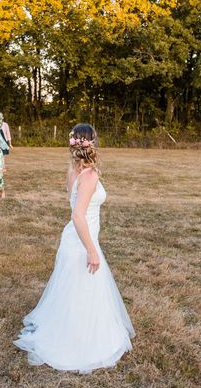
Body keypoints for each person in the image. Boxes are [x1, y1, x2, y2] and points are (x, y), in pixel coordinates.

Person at [13, 123, 135, 373]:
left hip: (74, 239)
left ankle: (71, 328)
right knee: (82, 291)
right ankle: (79, 340)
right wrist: (91, 249)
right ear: (92, 143)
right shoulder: (90, 175)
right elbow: (79, 215)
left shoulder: (73, 171)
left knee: (74, 291)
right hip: (81, 241)